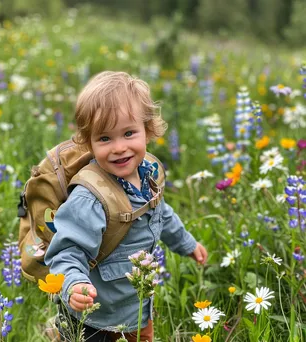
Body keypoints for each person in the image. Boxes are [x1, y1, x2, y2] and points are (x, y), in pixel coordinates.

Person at [45, 71, 208, 342]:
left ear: (148, 130)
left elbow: (162, 215)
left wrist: (186, 243)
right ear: (89, 143)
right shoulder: (89, 197)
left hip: (137, 307)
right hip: (94, 317)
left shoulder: (149, 174)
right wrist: (74, 283)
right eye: (105, 139)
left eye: (129, 133)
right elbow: (67, 251)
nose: (119, 148)